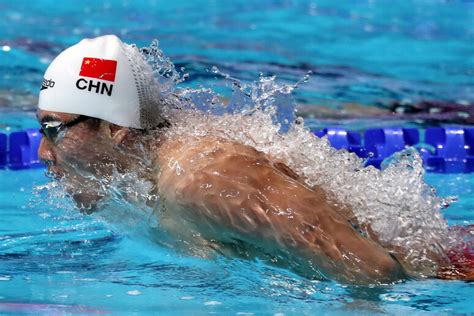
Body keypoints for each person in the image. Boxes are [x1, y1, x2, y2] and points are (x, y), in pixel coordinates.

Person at [36, 35, 471, 284]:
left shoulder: (203, 179)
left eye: (53, 130)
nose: (42, 153)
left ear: (117, 130)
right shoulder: (148, 167)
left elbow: (374, 269)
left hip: (449, 271)